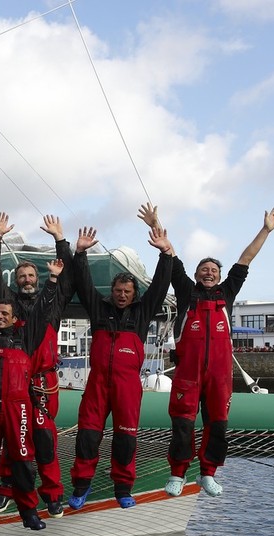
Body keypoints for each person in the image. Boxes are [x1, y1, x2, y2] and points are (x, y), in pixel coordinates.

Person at [161, 208, 274, 498]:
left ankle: (208, 474)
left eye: (214, 270)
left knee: (217, 425)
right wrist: (157, 227)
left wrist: (265, 230)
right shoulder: (185, 291)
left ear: (219, 276)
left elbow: (246, 259)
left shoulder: (227, 293)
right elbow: (172, 256)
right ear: (195, 274)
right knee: (182, 424)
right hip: (188, 373)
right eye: (205, 269)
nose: (209, 273)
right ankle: (178, 474)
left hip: (218, 375)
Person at [68, 206, 174, 510]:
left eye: (127, 290)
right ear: (112, 291)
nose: (122, 294)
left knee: (125, 440)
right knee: (87, 437)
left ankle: (123, 488)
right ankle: (81, 486)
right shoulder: (99, 310)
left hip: (127, 386)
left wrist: (165, 254)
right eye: (118, 290)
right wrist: (80, 254)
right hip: (98, 384)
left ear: (133, 293)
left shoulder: (141, 313)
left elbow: (159, 286)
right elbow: (84, 284)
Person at [0, 212, 76, 519]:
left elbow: (69, 274)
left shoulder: (53, 302)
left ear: (39, 278)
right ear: (15, 281)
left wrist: (60, 240)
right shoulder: (8, 304)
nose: (26, 280)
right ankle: (9, 490)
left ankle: (52, 494)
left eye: (31, 276)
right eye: (21, 276)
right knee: (13, 436)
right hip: (14, 381)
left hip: (43, 382)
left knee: (45, 440)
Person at [0, 258, 64, 536]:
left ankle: (33, 509)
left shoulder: (27, 336)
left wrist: (54, 279)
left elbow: (44, 308)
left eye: (4, 314)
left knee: (32, 453)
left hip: (26, 398)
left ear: (13, 318)